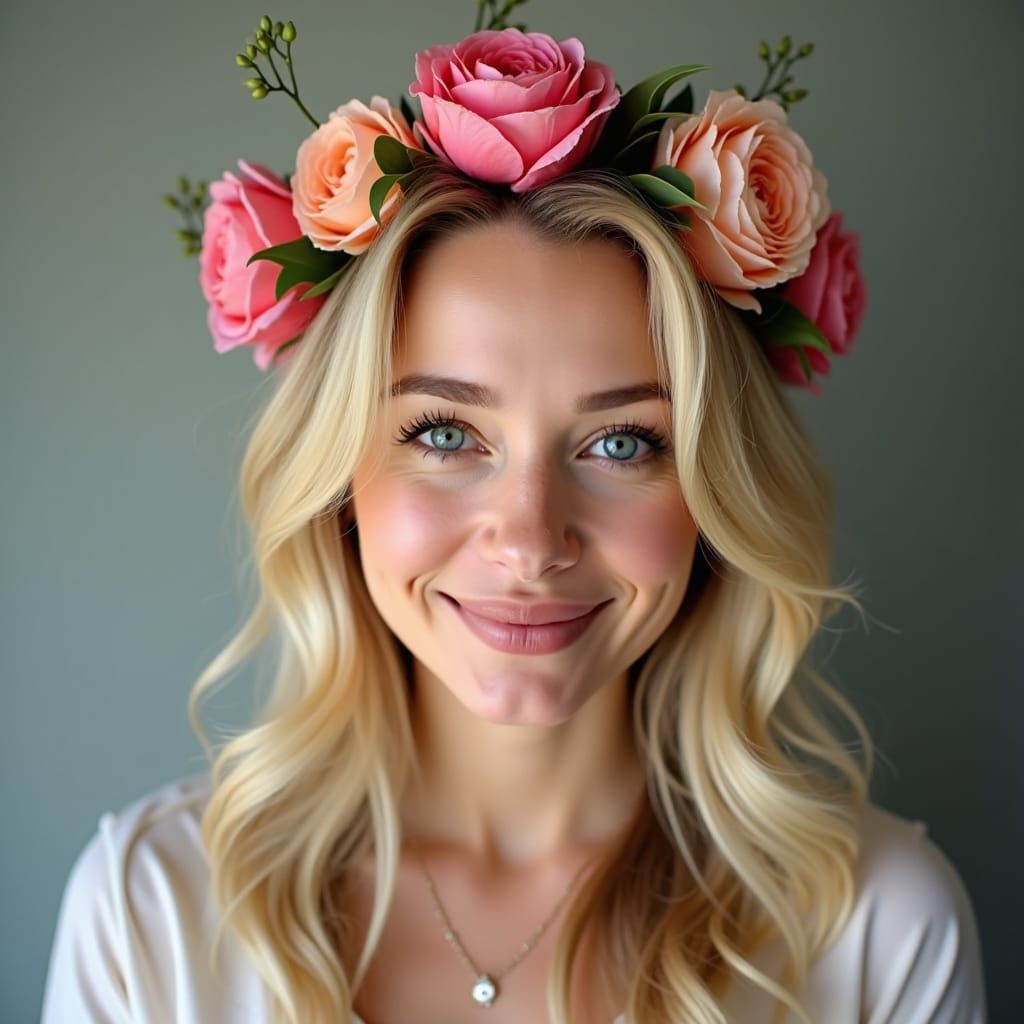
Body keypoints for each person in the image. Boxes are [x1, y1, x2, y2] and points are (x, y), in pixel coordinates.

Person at [42, 12, 987, 1024]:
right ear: (338, 474)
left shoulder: (879, 928)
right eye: (447, 433)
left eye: (623, 442)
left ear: (718, 491)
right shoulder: (152, 914)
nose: (531, 540)